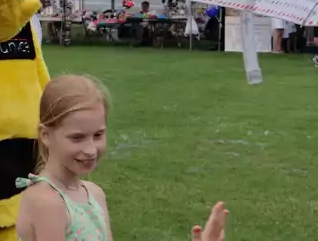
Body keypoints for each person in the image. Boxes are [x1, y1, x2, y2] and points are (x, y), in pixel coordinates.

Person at [16, 74, 228, 240]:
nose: (91, 149)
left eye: (98, 135)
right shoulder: (46, 202)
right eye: (77, 138)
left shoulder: (94, 194)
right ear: (46, 135)